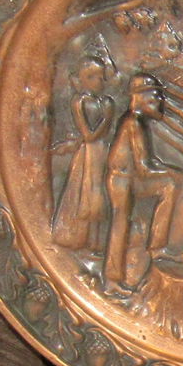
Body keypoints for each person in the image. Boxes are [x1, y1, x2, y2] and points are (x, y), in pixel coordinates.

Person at [103, 74, 183, 291]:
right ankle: (112, 280)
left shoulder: (137, 123)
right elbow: (145, 168)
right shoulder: (132, 123)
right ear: (139, 98)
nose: (160, 102)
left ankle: (158, 246)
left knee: (171, 185)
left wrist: (173, 173)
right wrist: (172, 172)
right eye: (154, 97)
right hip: (123, 182)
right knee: (119, 226)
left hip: (132, 180)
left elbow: (149, 162)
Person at [51, 56, 114, 251]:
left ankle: (96, 243)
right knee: (86, 196)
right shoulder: (79, 102)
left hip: (102, 152)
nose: (99, 82)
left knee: (100, 198)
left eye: (102, 77)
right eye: (93, 77)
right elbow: (89, 134)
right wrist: (108, 117)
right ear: (81, 79)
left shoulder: (103, 102)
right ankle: (81, 240)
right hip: (89, 154)